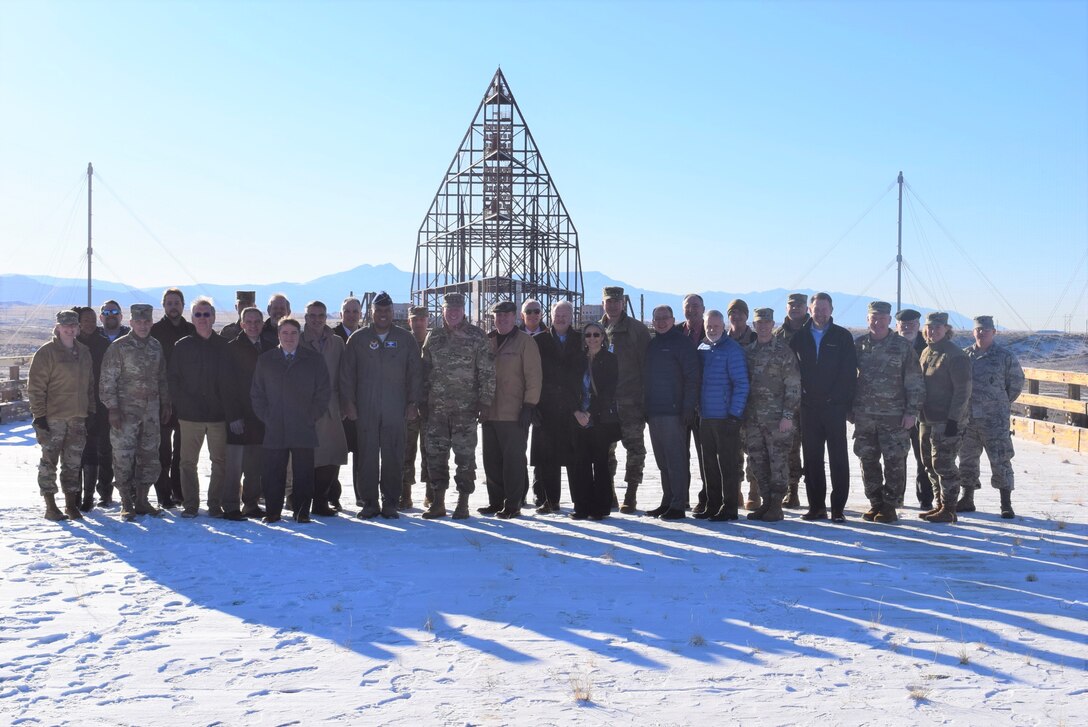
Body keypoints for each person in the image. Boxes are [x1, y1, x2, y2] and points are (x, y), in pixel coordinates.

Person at [341, 292, 422, 519]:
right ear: (372, 313)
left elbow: (415, 373)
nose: (383, 315)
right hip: (366, 408)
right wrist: (348, 403)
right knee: (366, 455)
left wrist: (413, 402)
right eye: (379, 311)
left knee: (394, 455)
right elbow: (347, 375)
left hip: (396, 408)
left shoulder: (405, 340)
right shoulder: (358, 339)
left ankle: (390, 501)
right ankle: (369, 502)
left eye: (387, 311)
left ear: (392, 312)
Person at [420, 293, 495, 519]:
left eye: (457, 309)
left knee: (465, 457)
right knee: (435, 456)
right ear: (442, 311)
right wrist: (422, 400)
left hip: (466, 410)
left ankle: (463, 502)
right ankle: (438, 501)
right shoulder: (433, 337)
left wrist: (486, 402)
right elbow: (424, 371)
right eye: (448, 309)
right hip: (437, 411)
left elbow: (487, 372)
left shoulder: (477, 336)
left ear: (463, 311)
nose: (453, 313)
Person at [251, 317, 331, 524]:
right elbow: (257, 394)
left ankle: (302, 512)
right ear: (278, 335)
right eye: (284, 333)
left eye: (293, 333)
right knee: (272, 472)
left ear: (299, 335)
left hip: (303, 425)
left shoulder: (314, 360)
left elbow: (323, 393)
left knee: (304, 473)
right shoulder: (266, 360)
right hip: (275, 425)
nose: (289, 337)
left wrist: (312, 416)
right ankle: (273, 512)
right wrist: (268, 417)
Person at [851, 301, 925, 524]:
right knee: (867, 460)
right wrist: (850, 407)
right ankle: (876, 502)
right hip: (865, 416)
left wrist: (911, 412)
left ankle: (890, 505)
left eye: (882, 317)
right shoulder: (859, 345)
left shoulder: (902, 346)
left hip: (894, 416)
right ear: (867, 319)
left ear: (889, 320)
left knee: (894, 461)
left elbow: (914, 382)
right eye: (873, 317)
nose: (877, 321)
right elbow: (848, 378)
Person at [100, 304, 171, 521]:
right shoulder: (119, 347)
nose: (143, 325)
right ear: (130, 323)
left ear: (151, 322)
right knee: (123, 456)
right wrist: (112, 408)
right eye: (138, 322)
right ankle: (126, 502)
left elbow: (162, 377)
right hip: (125, 413)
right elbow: (106, 380)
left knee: (149, 456)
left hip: (150, 412)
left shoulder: (156, 346)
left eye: (146, 321)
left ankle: (142, 499)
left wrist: (166, 403)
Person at [790, 292, 857, 522]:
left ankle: (838, 508)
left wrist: (838, 399)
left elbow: (849, 373)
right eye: (816, 309)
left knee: (838, 458)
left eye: (824, 308)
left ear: (831, 310)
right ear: (810, 310)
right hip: (809, 408)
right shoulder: (800, 337)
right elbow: (792, 371)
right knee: (812, 459)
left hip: (834, 407)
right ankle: (816, 506)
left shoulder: (842, 336)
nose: (820, 313)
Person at [28, 310, 96, 521]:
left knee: (73, 462)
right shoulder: (46, 353)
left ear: (77, 328)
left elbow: (90, 384)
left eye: (73, 326)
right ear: (57, 328)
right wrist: (39, 417)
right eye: (65, 326)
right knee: (49, 462)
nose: (69, 329)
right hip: (53, 418)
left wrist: (91, 410)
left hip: (77, 417)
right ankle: (50, 505)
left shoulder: (84, 351)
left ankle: (70, 505)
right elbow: (36, 387)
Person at [167, 297, 231, 518]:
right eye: (198, 314)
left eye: (206, 314)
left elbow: (230, 382)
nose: (202, 319)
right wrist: (182, 404)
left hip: (217, 416)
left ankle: (215, 504)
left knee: (220, 462)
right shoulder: (182, 346)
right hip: (190, 416)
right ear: (192, 318)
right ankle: (191, 504)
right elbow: (173, 380)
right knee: (187, 462)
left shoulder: (224, 346)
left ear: (213, 317)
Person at [480, 300, 542, 519]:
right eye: (498, 316)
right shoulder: (487, 341)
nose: (502, 319)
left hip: (514, 413)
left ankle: (513, 504)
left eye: (506, 315)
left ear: (515, 317)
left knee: (513, 461)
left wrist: (529, 406)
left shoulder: (525, 342)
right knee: (491, 461)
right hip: (489, 412)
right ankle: (495, 502)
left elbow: (534, 377)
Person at [958, 315, 1024, 518]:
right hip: (968, 419)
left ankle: (1006, 503)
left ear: (993, 332)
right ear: (973, 332)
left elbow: (1015, 384)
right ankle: (967, 498)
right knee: (967, 460)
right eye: (978, 329)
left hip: (994, 421)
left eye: (986, 330)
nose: (981, 333)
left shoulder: (1005, 356)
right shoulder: (964, 356)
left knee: (1001, 460)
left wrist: (998, 403)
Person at [643, 305, 700, 520]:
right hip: (655, 411)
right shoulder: (653, 344)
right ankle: (667, 500)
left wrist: (688, 407)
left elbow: (692, 377)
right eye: (657, 318)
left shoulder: (681, 344)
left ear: (673, 319)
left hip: (674, 412)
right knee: (662, 461)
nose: (661, 322)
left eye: (665, 318)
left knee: (676, 460)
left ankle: (678, 503)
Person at [745, 308, 801, 522]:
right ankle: (766, 502)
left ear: (773, 324)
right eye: (759, 323)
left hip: (778, 420)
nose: (763, 326)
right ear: (754, 325)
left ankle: (776, 505)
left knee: (778, 463)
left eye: (767, 323)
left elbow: (794, 386)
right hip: (753, 419)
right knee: (757, 462)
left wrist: (788, 416)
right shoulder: (749, 352)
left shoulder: (783, 352)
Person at [918, 312, 972, 524]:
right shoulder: (926, 351)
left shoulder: (955, 355)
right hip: (926, 418)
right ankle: (939, 504)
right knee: (929, 464)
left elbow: (963, 391)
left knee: (944, 464)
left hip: (946, 420)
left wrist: (954, 420)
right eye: (929, 327)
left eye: (937, 328)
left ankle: (949, 508)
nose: (932, 331)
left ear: (946, 330)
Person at [600, 286, 651, 513]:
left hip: (631, 402)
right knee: (604, 451)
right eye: (609, 301)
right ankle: (609, 492)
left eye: (616, 302)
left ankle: (630, 495)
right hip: (605, 404)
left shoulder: (637, 330)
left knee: (635, 449)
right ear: (604, 303)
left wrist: (644, 399)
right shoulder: (596, 329)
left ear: (623, 303)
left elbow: (647, 366)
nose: (612, 305)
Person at [696, 309, 749, 522]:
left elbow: (742, 384)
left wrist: (734, 414)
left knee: (727, 465)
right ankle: (712, 503)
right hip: (706, 417)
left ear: (724, 327)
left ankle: (729, 507)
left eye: (716, 326)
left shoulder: (732, 350)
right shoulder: (702, 348)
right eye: (709, 326)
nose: (712, 329)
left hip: (726, 418)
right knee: (708, 464)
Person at [532, 300, 582, 513]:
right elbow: (532, 374)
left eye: (565, 315)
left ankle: (580, 501)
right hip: (546, 405)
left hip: (574, 406)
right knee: (547, 456)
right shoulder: (538, 340)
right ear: (550, 316)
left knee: (576, 456)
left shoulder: (581, 340)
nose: (561, 318)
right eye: (557, 314)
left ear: (572, 317)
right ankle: (550, 500)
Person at [568, 321, 621, 520]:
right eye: (588, 335)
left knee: (600, 463)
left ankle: (600, 507)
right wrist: (576, 412)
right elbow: (569, 388)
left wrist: (589, 413)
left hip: (600, 419)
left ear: (603, 337)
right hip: (577, 418)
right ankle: (582, 506)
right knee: (580, 464)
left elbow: (609, 391)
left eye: (596, 335)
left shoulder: (610, 359)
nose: (592, 338)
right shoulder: (576, 360)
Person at [150, 287, 196, 508]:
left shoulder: (191, 329)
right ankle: (163, 494)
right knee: (162, 451)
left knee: (182, 450)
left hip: (186, 399)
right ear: (164, 306)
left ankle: (180, 491)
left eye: (176, 302)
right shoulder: (155, 331)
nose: (173, 306)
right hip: (162, 398)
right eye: (169, 303)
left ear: (183, 305)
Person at [302, 301, 348, 517]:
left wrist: (346, 403)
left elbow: (344, 375)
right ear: (305, 317)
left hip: (331, 405)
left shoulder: (337, 342)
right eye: (312, 315)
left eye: (321, 315)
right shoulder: (297, 339)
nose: (317, 319)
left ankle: (321, 501)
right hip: (304, 406)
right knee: (306, 457)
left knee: (331, 456)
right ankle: (301, 500)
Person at [223, 306, 269, 518]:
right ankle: (231, 505)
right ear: (241, 324)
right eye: (248, 322)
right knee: (234, 466)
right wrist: (233, 416)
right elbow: (226, 386)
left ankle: (251, 504)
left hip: (261, 417)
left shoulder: (269, 347)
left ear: (262, 323)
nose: (253, 325)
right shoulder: (231, 349)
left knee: (255, 466)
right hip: (238, 417)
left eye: (257, 321)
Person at [520, 298, 559, 510]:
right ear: (522, 314)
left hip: (544, 401)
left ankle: (541, 493)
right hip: (517, 400)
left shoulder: (549, 338)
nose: (533, 315)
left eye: (537, 311)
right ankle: (519, 492)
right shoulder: (514, 336)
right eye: (529, 311)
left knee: (542, 450)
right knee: (518, 449)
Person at [773, 292, 809, 508]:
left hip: (813, 400)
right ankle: (792, 489)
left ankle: (817, 493)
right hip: (787, 401)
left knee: (814, 449)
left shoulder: (814, 331)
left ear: (806, 308)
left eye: (799, 305)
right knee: (790, 448)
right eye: (791, 305)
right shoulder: (778, 335)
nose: (795, 308)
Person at [74, 305, 111, 511]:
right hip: (75, 404)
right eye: (84, 319)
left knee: (95, 450)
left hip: (99, 405)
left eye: (91, 318)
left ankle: (91, 495)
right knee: (74, 451)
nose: (88, 322)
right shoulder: (72, 343)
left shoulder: (104, 343)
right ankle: (75, 494)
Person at [726, 298, 760, 510]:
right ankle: (735, 491)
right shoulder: (722, 339)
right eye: (733, 313)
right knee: (732, 450)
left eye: (740, 313)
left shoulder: (758, 339)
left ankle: (754, 492)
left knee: (754, 451)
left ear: (747, 316)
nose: (736, 317)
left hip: (753, 404)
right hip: (728, 405)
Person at [331, 296, 364, 510]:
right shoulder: (332, 336)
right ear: (341, 314)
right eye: (347, 311)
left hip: (362, 405)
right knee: (334, 454)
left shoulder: (366, 337)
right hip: (336, 406)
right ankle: (331, 495)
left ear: (360, 314)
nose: (351, 315)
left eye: (355, 311)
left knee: (362, 453)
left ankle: (362, 495)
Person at [896, 308, 930, 509]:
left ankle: (925, 498)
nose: (907, 327)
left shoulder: (928, 347)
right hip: (894, 410)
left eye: (912, 324)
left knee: (923, 458)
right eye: (903, 324)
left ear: (919, 326)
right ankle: (896, 496)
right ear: (897, 326)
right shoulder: (889, 345)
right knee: (896, 457)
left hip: (922, 412)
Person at [402, 305, 431, 509]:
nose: (419, 322)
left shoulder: (436, 342)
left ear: (427, 320)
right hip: (408, 406)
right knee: (406, 451)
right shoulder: (404, 343)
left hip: (431, 407)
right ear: (409, 321)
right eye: (415, 319)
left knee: (431, 452)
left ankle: (431, 494)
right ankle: (405, 494)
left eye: (422, 319)